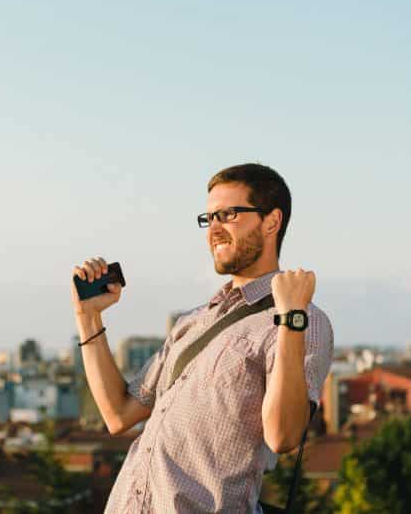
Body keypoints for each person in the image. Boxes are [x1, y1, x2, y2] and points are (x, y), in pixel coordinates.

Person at [70, 163, 334, 513]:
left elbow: (283, 436)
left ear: (271, 221)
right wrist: (88, 317)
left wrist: (290, 318)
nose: (215, 229)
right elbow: (118, 414)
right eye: (209, 218)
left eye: (228, 214)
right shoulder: (193, 321)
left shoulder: (302, 321)